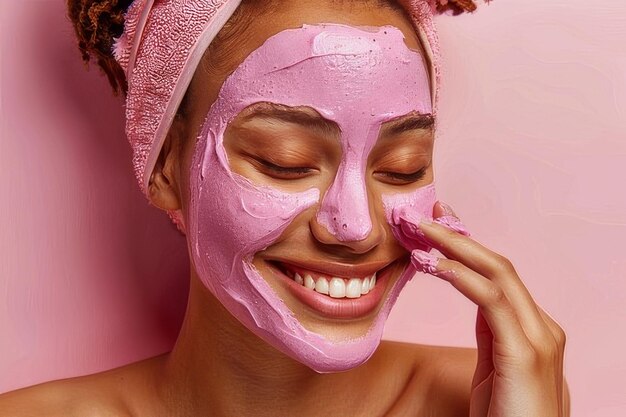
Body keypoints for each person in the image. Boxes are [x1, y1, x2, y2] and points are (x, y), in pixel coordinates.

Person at [0, 0, 570, 415]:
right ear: (166, 167)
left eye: (403, 166)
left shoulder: (494, 398)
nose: (355, 227)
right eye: (285, 160)